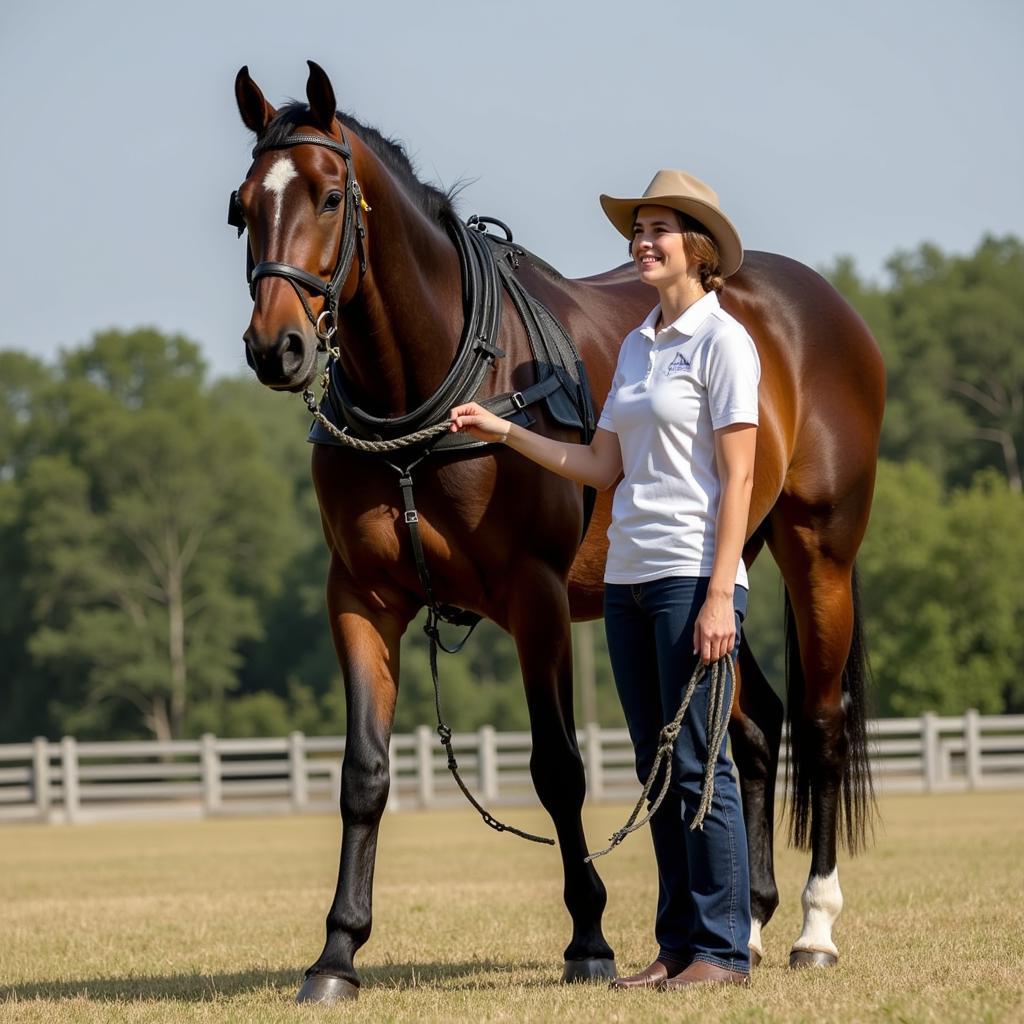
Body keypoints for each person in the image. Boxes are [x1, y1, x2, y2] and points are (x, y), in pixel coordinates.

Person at [449, 170, 759, 990]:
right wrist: (501, 430)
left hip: (693, 574)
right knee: (658, 768)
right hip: (627, 577)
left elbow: (741, 481)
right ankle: (673, 947)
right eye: (638, 229)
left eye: (659, 229)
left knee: (701, 764)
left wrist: (723, 591)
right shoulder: (636, 346)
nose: (643, 242)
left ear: (697, 246)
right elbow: (598, 464)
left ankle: (723, 950)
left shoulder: (724, 342)